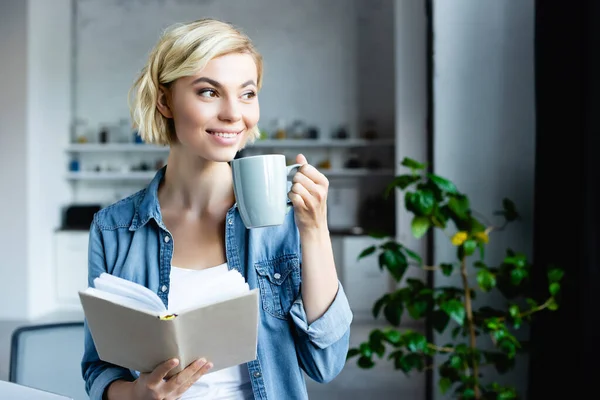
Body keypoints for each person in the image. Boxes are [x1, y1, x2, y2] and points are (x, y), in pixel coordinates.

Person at [81, 17, 353, 400]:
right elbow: (100, 368)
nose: (233, 114)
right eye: (209, 92)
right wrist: (135, 394)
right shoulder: (112, 229)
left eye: (247, 94)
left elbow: (326, 363)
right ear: (164, 100)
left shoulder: (285, 220)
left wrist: (314, 230)